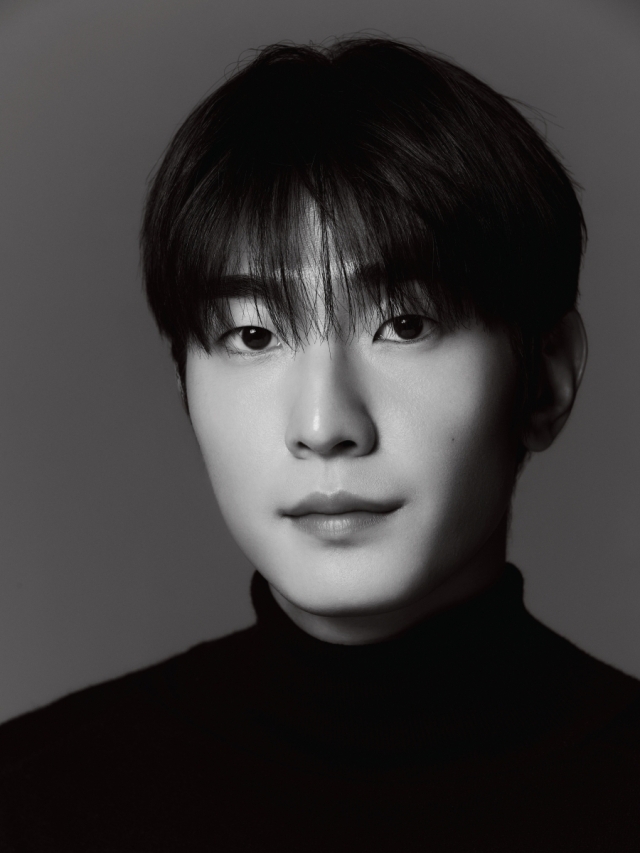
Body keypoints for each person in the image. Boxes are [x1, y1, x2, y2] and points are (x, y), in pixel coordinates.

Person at [0, 36, 638, 852]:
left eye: (406, 323)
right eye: (254, 335)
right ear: (185, 387)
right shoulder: (31, 799)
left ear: (545, 376)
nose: (324, 424)